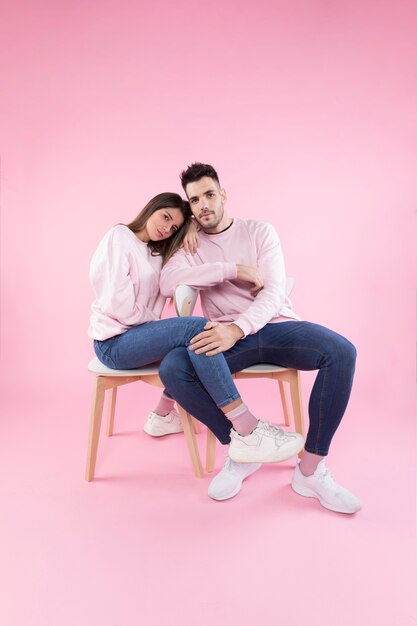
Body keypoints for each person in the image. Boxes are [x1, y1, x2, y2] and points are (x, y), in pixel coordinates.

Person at [159, 164, 362, 514]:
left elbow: (273, 292)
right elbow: (167, 282)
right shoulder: (189, 243)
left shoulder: (260, 232)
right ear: (190, 207)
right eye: (195, 200)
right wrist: (229, 269)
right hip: (226, 335)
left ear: (223, 195)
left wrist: (238, 327)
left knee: (342, 352)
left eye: (209, 195)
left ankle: (311, 471)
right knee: (173, 367)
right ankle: (242, 447)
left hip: (274, 325)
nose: (204, 204)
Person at [88, 191, 304, 468]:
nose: (166, 228)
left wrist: (190, 226)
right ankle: (246, 428)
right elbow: (118, 306)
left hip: (137, 336)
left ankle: (162, 415)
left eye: (174, 227)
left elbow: (175, 273)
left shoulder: (156, 250)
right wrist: (157, 326)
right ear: (152, 207)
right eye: (165, 217)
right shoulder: (119, 238)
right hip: (114, 343)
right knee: (199, 328)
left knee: (188, 348)